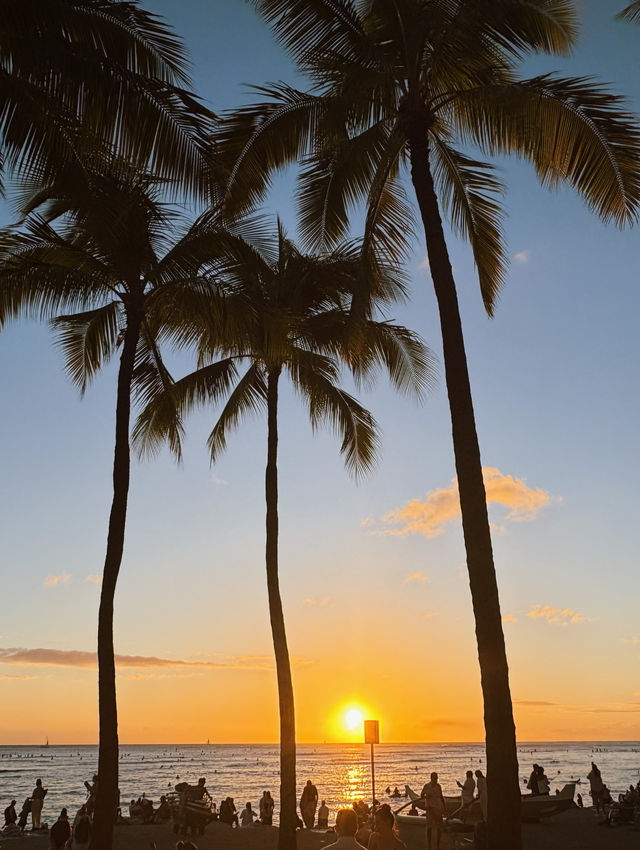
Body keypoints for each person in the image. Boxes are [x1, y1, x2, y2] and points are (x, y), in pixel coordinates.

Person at [421, 773, 446, 850]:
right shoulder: (426, 786)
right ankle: (429, 846)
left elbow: (441, 797)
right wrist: (426, 796)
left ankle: (438, 845)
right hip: (429, 809)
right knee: (429, 828)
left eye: (437, 778)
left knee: (439, 827)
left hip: (438, 808)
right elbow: (422, 795)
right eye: (435, 778)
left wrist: (444, 807)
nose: (436, 780)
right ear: (431, 778)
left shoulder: (438, 786)